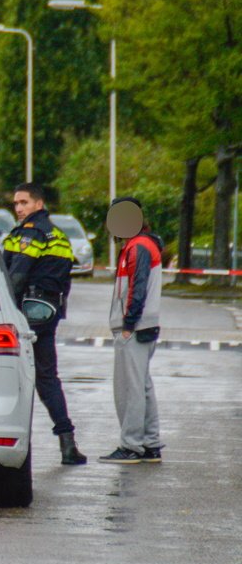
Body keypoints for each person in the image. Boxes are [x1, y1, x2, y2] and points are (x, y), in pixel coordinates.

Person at [2, 182, 87, 465]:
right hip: (48, 312)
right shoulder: (59, 236)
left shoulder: (30, 233)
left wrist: (2, 312)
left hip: (26, 312)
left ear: (38, 204)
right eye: (15, 204)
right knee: (48, 378)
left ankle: (2, 439)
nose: (18, 209)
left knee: (7, 375)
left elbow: (15, 277)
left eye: (23, 203)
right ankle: (67, 444)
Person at [100, 196, 164, 463]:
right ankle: (150, 444)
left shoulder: (137, 247)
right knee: (143, 386)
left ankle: (131, 446)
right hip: (145, 325)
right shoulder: (142, 245)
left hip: (135, 328)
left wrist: (127, 325)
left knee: (131, 388)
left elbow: (137, 290)